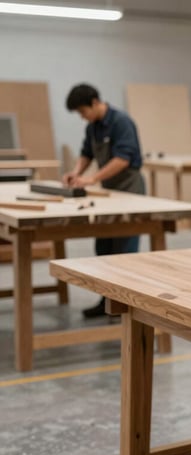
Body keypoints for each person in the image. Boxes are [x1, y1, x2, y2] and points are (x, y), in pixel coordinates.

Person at [62, 83, 146, 318]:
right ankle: (107, 302)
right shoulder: (93, 127)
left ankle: (128, 307)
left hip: (129, 190)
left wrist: (92, 179)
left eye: (82, 112)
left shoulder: (121, 122)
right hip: (110, 193)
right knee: (104, 247)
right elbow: (87, 153)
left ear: (95, 102)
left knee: (125, 251)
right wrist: (76, 173)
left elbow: (123, 160)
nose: (82, 117)